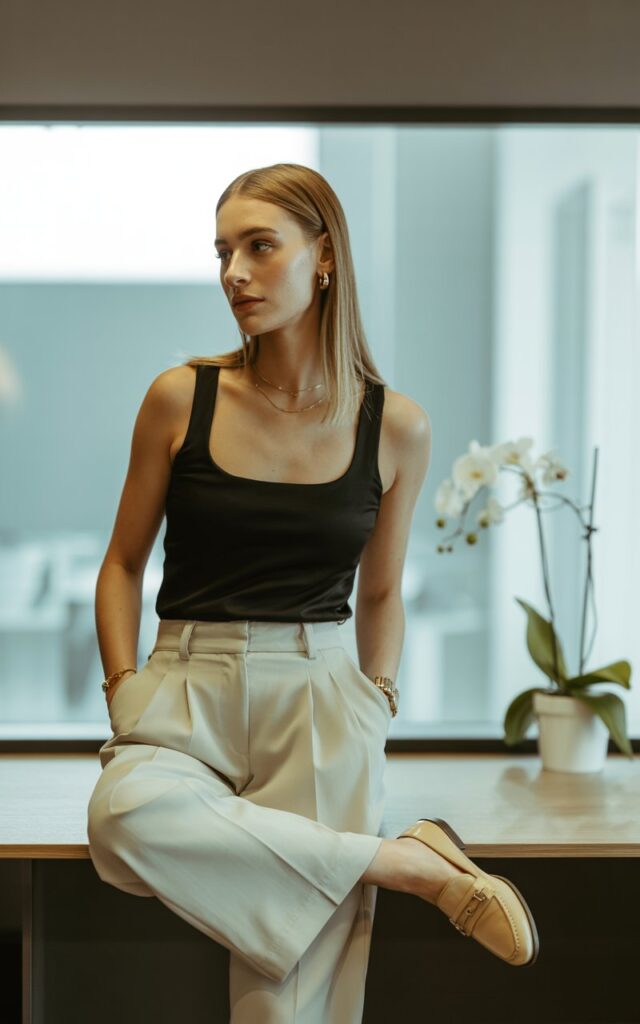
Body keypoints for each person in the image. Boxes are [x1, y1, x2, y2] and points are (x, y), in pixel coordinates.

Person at [86, 162, 539, 1023]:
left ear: (323, 257)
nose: (234, 273)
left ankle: (381, 857)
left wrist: (378, 699)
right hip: (184, 684)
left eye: (261, 247)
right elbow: (121, 565)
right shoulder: (181, 397)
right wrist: (122, 689)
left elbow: (381, 594)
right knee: (123, 818)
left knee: (285, 1008)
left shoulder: (395, 425)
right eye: (223, 251)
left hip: (323, 692)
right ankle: (406, 863)